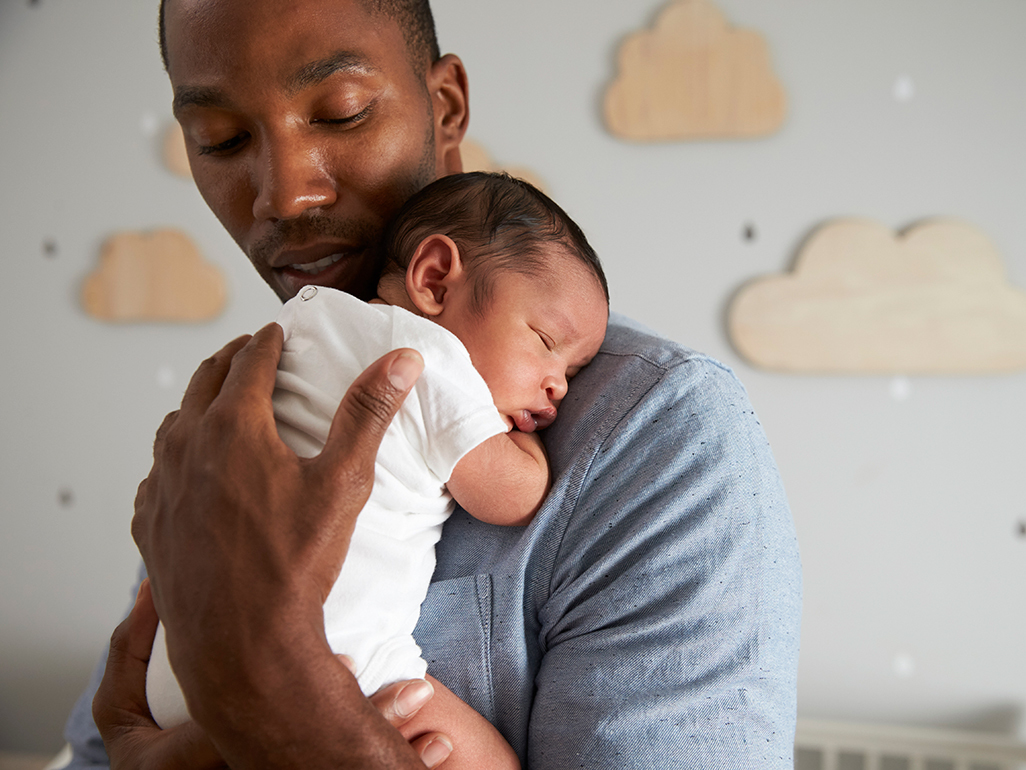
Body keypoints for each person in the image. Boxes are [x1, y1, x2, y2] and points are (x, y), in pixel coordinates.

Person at [62, 0, 802, 767]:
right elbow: (106, 739)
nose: (284, 195)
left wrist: (282, 692)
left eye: (341, 114)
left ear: (444, 107)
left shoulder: (659, 438)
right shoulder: (237, 415)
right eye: (221, 139)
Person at [143, 172, 610, 770]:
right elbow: (513, 496)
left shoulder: (305, 321)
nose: (559, 385)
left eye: (574, 369)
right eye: (546, 341)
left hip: (176, 672)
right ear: (435, 278)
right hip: (338, 664)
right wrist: (528, 444)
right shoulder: (432, 360)